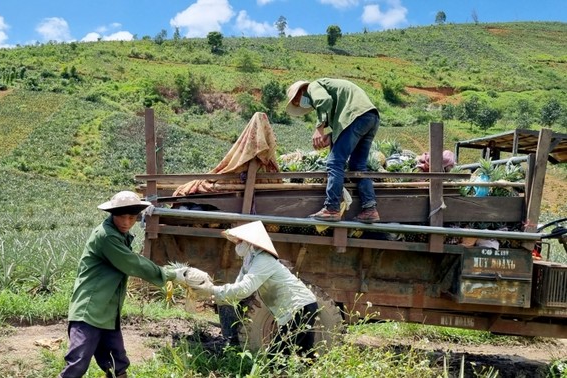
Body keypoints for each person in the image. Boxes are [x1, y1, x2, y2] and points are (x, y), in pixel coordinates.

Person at [59, 190, 186, 378]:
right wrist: (169, 275)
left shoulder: (120, 235)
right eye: (122, 217)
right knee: (78, 364)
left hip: (108, 311)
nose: (127, 222)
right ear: (113, 214)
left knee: (117, 363)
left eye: (132, 217)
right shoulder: (107, 236)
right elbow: (132, 264)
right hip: (90, 310)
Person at [189, 220, 319, 359]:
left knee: (275, 357)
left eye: (240, 241)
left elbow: (244, 289)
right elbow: (237, 289)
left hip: (300, 307)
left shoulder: (263, 259)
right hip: (298, 308)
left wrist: (212, 289)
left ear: (250, 242)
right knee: (306, 354)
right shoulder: (249, 261)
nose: (237, 245)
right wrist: (215, 295)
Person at [285, 78, 381, 222]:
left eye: (297, 100)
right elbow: (343, 123)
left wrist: (319, 129)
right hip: (370, 117)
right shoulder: (331, 90)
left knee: (334, 163)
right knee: (358, 166)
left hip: (356, 116)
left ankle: (332, 208)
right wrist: (331, 137)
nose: (299, 104)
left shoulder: (313, 86)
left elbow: (324, 101)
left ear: (301, 91)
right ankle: (370, 209)